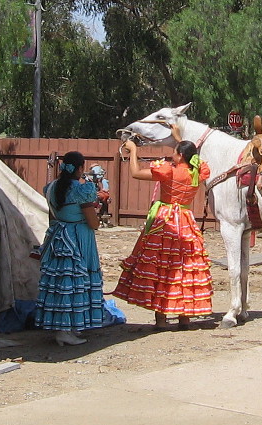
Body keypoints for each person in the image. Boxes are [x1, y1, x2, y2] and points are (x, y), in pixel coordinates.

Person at [111, 126, 213, 330]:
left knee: (162, 266)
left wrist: (133, 151)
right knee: (185, 268)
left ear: (180, 155)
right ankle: (185, 318)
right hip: (186, 221)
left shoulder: (168, 171)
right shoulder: (198, 172)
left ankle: (161, 319)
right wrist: (178, 138)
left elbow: (136, 172)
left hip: (166, 221)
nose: (171, 153)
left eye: (175, 151)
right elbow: (194, 157)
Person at [34, 151, 104, 346]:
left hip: (58, 237)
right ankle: (67, 330)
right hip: (78, 238)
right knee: (76, 281)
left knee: (61, 283)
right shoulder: (83, 190)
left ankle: (64, 328)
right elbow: (93, 222)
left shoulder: (51, 188)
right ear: (80, 169)